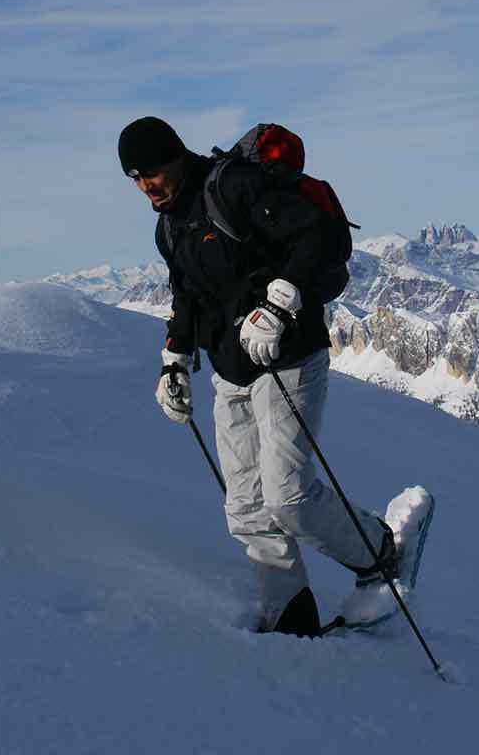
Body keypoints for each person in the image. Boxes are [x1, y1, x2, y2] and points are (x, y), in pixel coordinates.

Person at [118, 115, 397, 637]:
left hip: (289, 358)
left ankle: (381, 553)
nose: (144, 186)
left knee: (287, 498)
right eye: (135, 178)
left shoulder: (233, 187)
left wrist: (280, 298)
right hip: (231, 372)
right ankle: (291, 624)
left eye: (150, 172)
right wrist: (174, 361)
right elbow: (186, 293)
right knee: (246, 509)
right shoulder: (169, 225)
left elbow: (313, 234)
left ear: (175, 155)